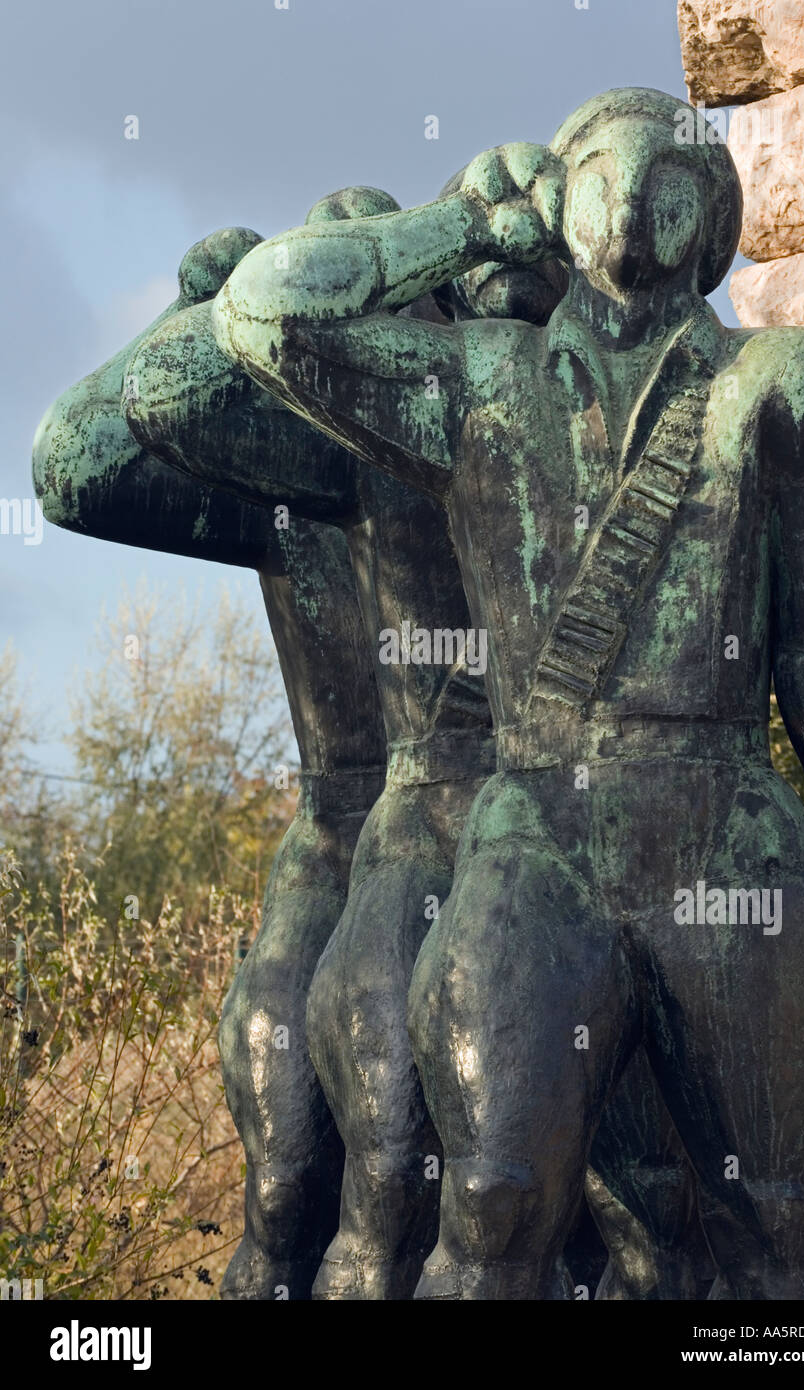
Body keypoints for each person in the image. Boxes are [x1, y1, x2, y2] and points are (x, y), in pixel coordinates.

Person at [210, 88, 804, 1300]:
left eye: (673, 183)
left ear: (714, 222)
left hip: (723, 819)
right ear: (558, 206)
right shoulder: (479, 382)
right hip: (537, 827)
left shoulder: (787, 382)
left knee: (771, 1233)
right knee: (492, 1196)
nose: (634, 210)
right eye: (602, 179)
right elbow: (263, 316)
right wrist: (458, 225)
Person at [32, 228, 387, 1299]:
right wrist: (196, 313)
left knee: (421, 1188)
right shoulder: (292, 484)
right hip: (333, 840)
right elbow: (71, 472)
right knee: (280, 1181)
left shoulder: (493, 443)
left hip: (465, 828)